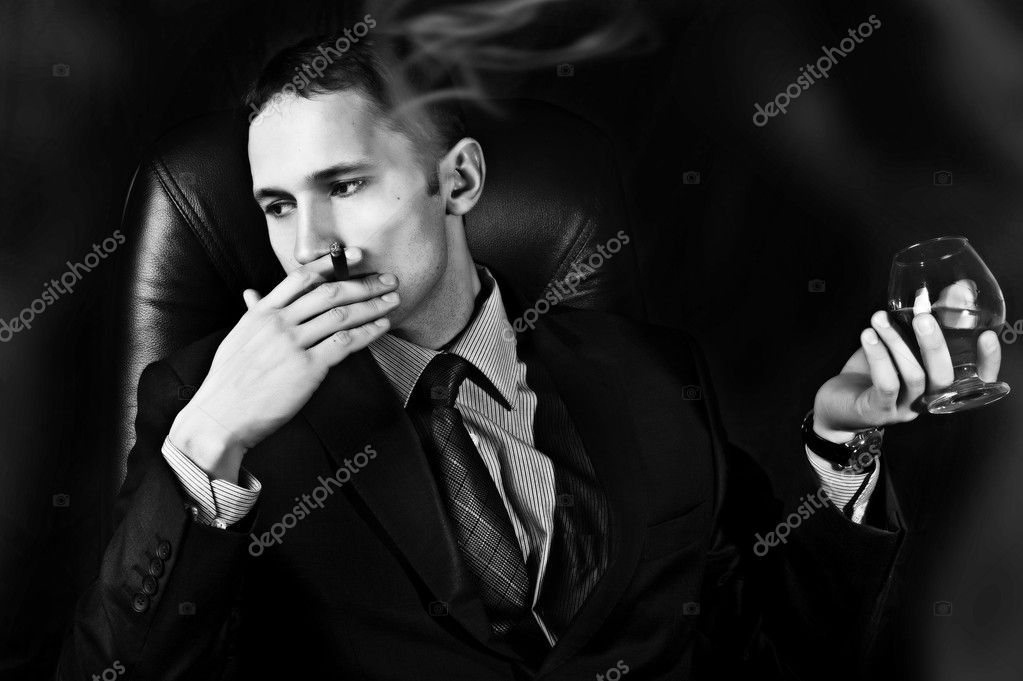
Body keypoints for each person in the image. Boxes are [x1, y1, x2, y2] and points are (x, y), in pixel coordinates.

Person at [57, 33, 1003, 680]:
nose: (309, 244)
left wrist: (839, 447)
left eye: (343, 185)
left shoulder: (651, 374)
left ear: (457, 180)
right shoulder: (208, 406)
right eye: (275, 207)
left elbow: (781, 645)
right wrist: (209, 446)